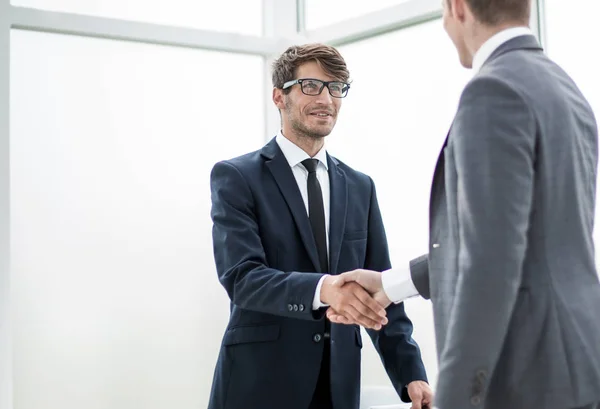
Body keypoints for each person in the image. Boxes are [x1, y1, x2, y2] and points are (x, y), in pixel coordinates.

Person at [327, 1, 600, 409]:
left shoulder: (493, 91)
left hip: (526, 375)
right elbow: (526, 241)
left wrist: (455, 397)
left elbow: (489, 265)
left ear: (457, 8)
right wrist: (391, 285)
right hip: (577, 363)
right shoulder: (563, 86)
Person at [207, 43, 432, 409]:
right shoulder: (237, 177)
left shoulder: (360, 186)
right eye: (311, 85)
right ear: (280, 96)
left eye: (336, 87)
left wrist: (411, 374)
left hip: (338, 385)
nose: (326, 98)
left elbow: (382, 286)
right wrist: (325, 288)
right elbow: (242, 279)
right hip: (259, 383)